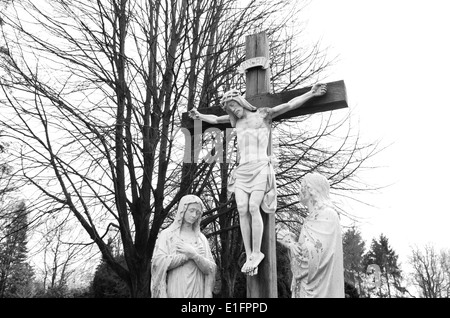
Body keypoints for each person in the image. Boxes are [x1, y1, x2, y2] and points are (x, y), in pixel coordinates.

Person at [189, 84, 327, 275]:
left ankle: (256, 252)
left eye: (233, 105)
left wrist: (311, 94)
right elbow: (215, 119)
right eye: (229, 109)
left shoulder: (263, 114)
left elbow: (289, 105)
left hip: (260, 165)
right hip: (242, 170)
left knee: (254, 207)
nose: (233, 110)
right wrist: (200, 116)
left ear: (240, 101)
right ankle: (249, 254)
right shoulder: (235, 122)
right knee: (242, 209)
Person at [277, 172, 344, 298]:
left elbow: (314, 258)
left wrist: (289, 242)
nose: (299, 191)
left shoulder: (328, 215)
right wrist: (290, 244)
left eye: (302, 186)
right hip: (305, 287)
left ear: (312, 190)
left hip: (319, 290)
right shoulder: (309, 220)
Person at [151, 194, 216, 298]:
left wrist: (195, 255)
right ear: (182, 209)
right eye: (191, 210)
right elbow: (158, 263)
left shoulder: (201, 238)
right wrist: (186, 256)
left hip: (197, 289)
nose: (194, 215)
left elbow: (210, 269)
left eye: (198, 212)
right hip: (176, 287)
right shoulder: (168, 235)